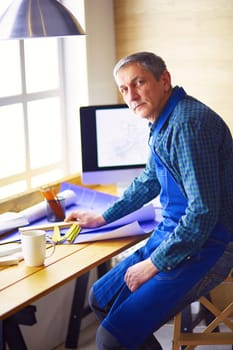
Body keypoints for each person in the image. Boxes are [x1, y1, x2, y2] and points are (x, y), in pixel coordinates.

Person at [65, 52, 233, 350]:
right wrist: (102, 217)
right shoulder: (164, 121)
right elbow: (149, 180)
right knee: (100, 298)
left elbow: (203, 214)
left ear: (164, 80)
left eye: (139, 82)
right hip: (176, 236)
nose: (131, 95)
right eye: (124, 89)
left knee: (110, 338)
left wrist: (153, 263)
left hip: (210, 245)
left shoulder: (187, 125)